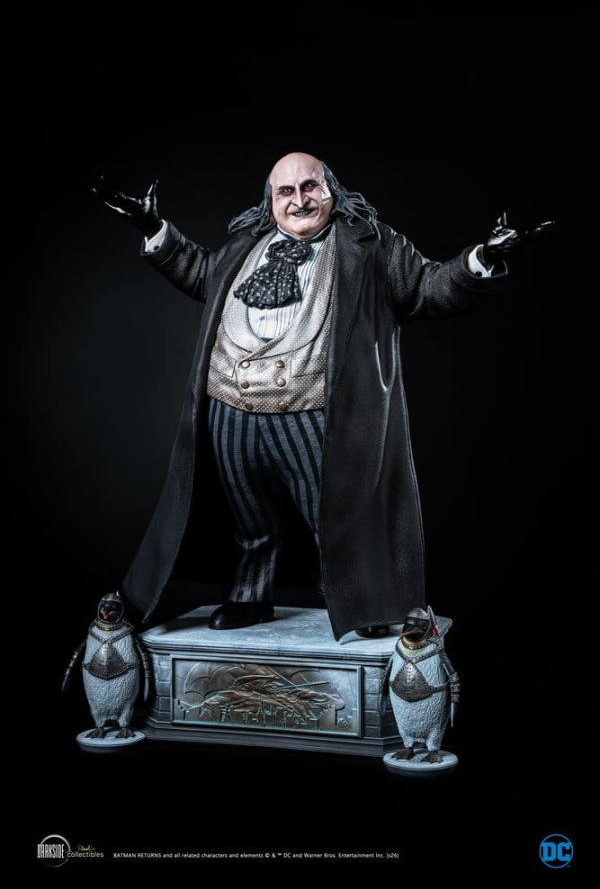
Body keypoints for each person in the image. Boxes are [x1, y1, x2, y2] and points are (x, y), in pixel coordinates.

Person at [93, 152, 551, 640]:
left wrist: (484, 258)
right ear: (270, 201)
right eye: (285, 191)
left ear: (332, 190)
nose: (299, 200)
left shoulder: (370, 245)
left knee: (336, 513)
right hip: (229, 407)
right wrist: (154, 228)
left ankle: (364, 604)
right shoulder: (246, 245)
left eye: (309, 186)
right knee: (249, 516)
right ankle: (249, 597)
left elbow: (428, 288)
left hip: (310, 410)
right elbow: (203, 275)